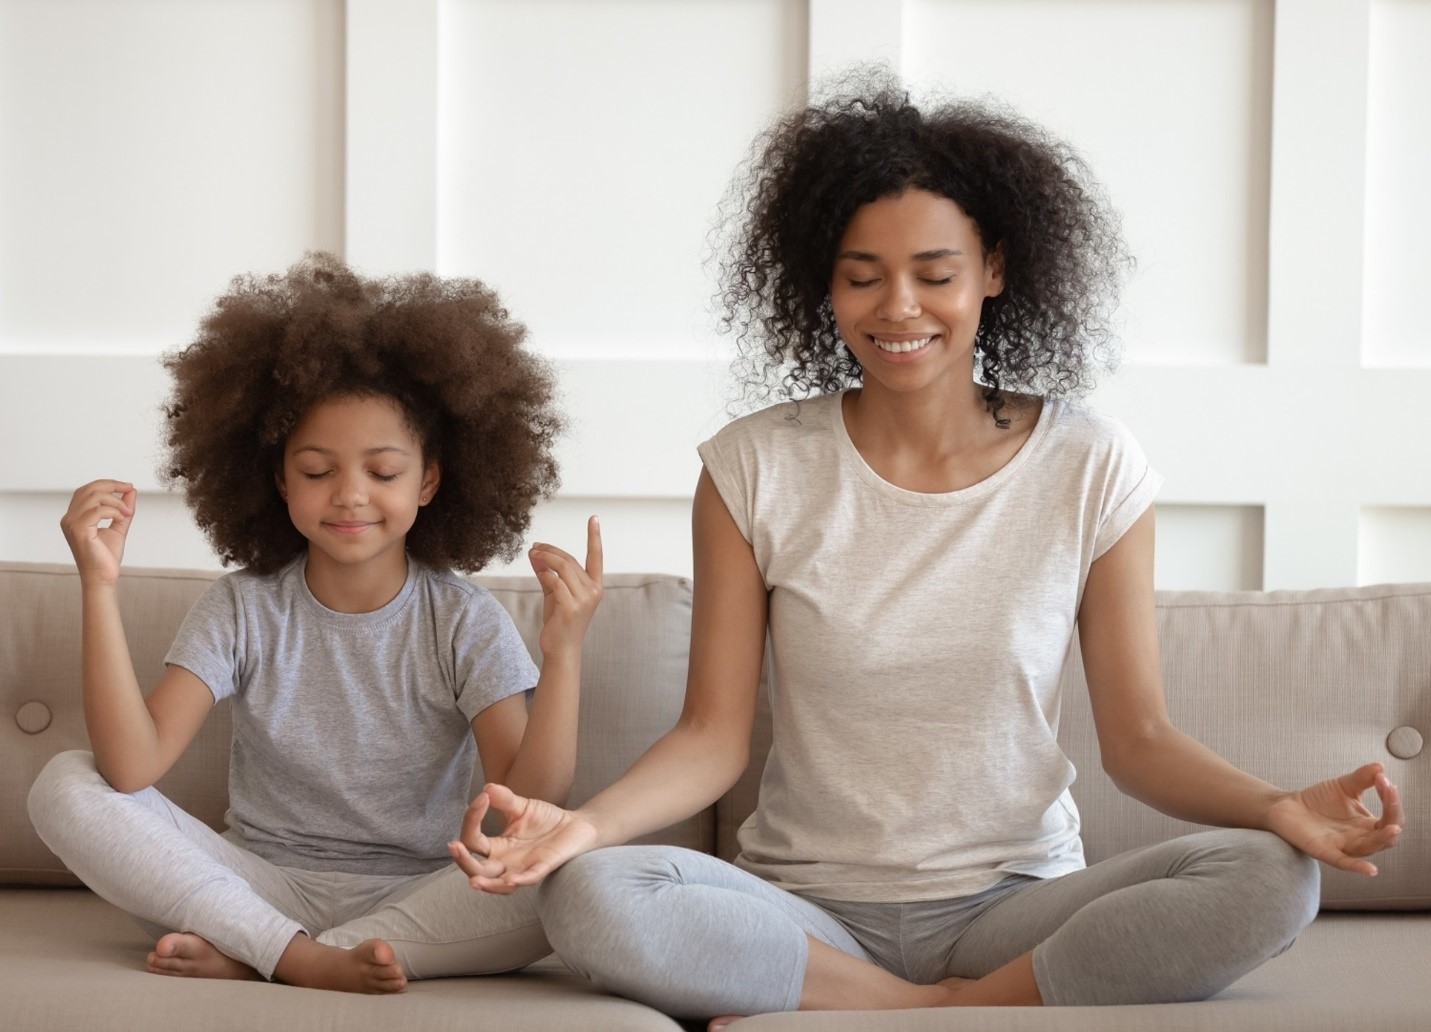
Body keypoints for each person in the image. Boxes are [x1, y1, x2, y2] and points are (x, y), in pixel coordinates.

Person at [445, 76, 1404, 1027]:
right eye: (862, 276)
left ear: (993, 267)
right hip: (806, 910)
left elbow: (1140, 743)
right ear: (822, 281)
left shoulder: (1089, 464)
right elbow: (711, 738)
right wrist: (584, 826)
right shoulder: (752, 466)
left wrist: (1275, 804)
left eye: (935, 275)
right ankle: (933, 1008)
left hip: (1015, 906)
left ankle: (911, 1007)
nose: (897, 309)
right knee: (589, 890)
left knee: (1272, 874)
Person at [27, 253, 603, 994]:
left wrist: (563, 655)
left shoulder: (464, 619)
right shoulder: (244, 606)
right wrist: (98, 586)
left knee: (576, 865)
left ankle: (262, 955)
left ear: (428, 480)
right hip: (252, 882)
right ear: (278, 480)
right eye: (317, 470)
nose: (350, 496)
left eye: (383, 472)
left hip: (420, 895)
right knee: (64, 783)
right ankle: (301, 956)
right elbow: (130, 769)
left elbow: (525, 804)